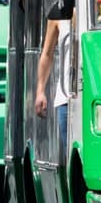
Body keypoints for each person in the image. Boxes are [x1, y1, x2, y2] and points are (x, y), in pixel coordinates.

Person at [35, 12, 73, 147]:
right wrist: (40, 91)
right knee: (70, 152)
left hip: (97, 94)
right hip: (67, 97)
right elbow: (46, 54)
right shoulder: (59, 14)